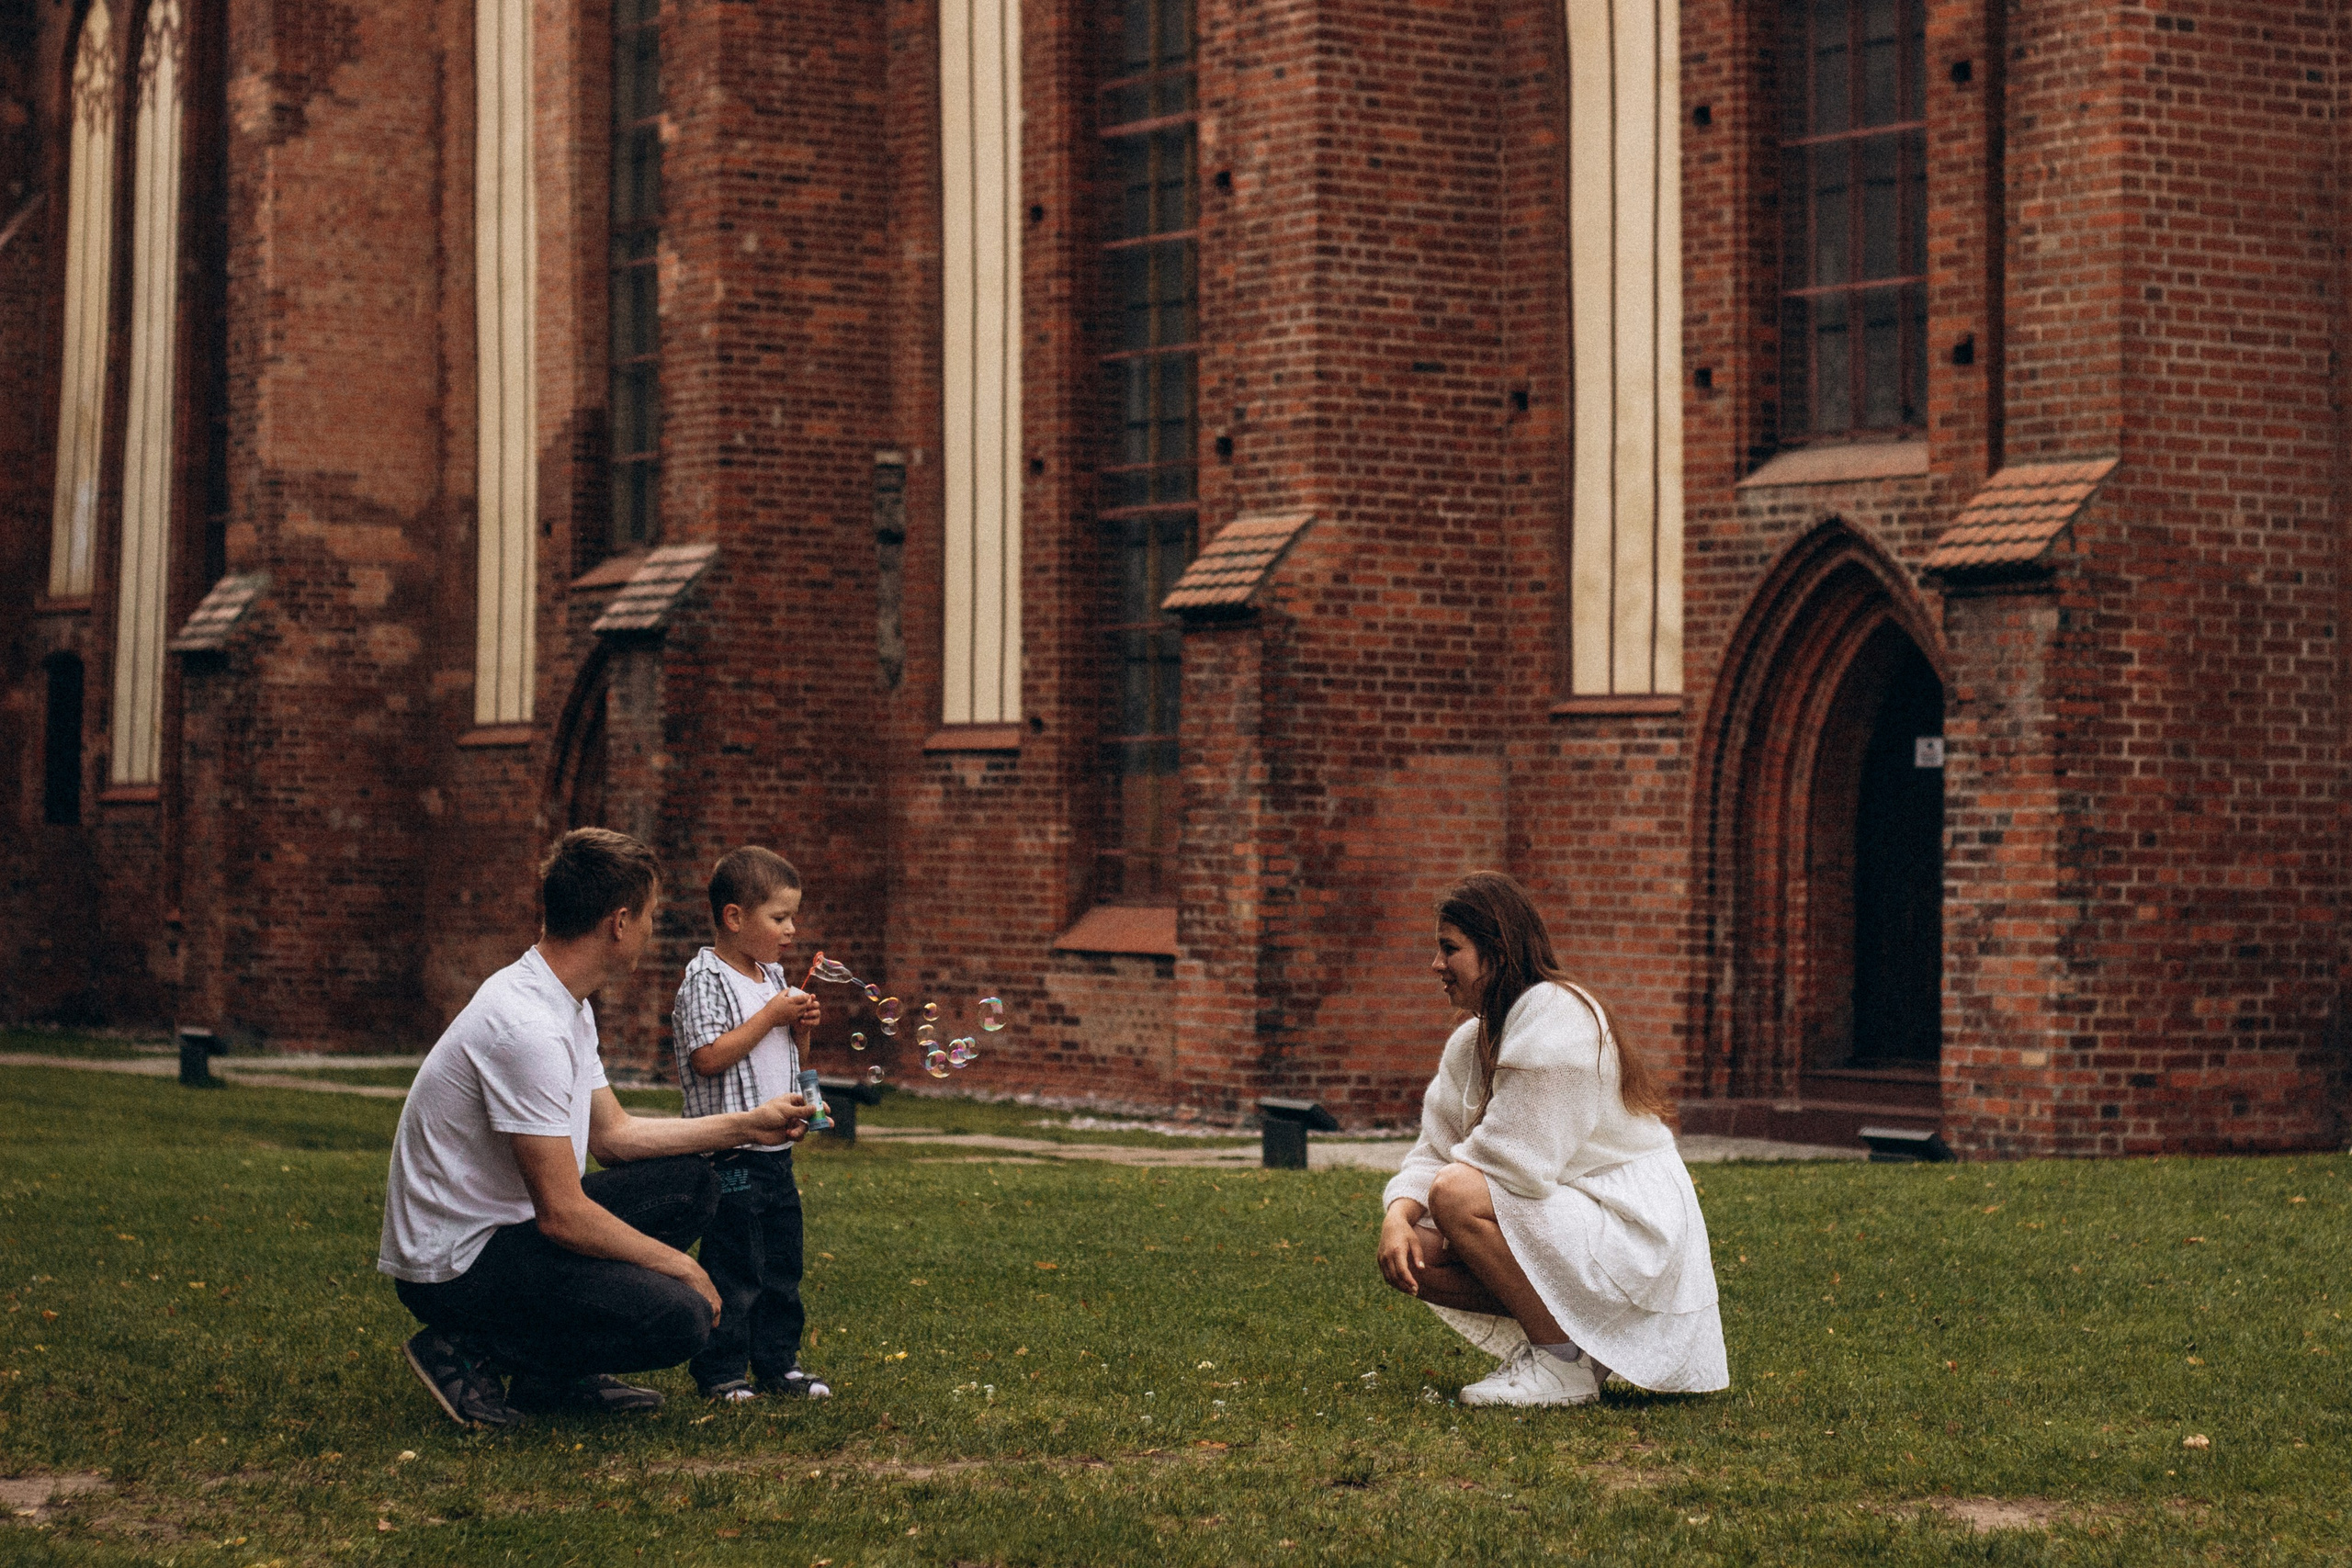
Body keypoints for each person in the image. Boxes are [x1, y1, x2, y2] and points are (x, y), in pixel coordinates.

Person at [379, 828, 812, 1428]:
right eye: (652, 916)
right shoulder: (527, 1024)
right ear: (619, 922)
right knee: (681, 1316)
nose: (652, 931)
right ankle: (464, 1347)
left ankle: (550, 1376)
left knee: (692, 1184)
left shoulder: (566, 1003)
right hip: (456, 1267)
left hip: (508, 1234)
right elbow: (563, 1212)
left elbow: (613, 1138)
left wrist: (748, 1124)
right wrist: (684, 1267)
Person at [1376, 872, 1728, 1408]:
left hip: (1632, 1222)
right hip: (1569, 1213)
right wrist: (1398, 1217)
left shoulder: (1558, 1014)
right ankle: (1570, 1348)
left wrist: (1438, 1199)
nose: (1436, 965)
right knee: (1415, 1255)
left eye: (1450, 949)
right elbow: (1434, 1150)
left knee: (1455, 1196)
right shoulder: (1472, 1038)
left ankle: (1561, 1360)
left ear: (1495, 951)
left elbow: (1517, 1164)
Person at [671, 845, 831, 1403]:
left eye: (793, 917)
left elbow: (787, 1057)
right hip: (729, 1152)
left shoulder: (774, 977)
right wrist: (773, 1014)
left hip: (775, 1152)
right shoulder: (705, 979)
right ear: (735, 917)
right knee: (735, 1264)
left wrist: (801, 1027)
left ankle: (778, 1364)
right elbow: (708, 1057)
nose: (792, 929)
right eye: (779, 917)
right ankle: (722, 1373)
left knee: (783, 1262)